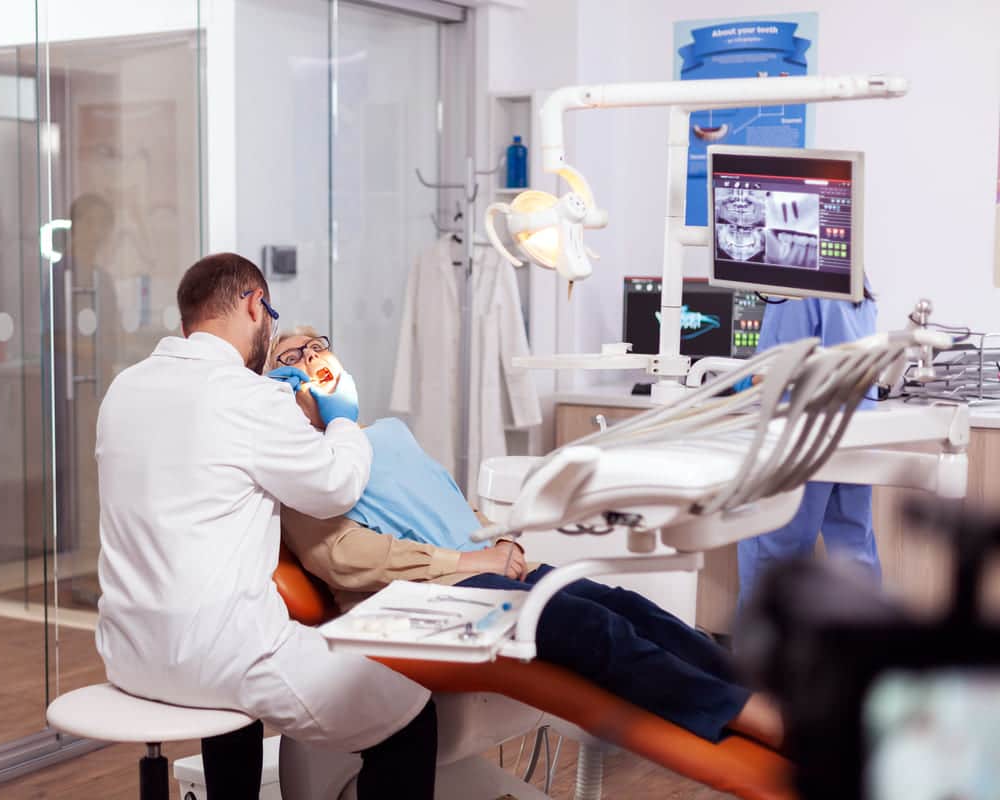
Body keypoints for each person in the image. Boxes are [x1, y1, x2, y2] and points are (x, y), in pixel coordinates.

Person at [267, 326, 784, 748]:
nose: (313, 357)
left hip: (484, 569)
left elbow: (446, 504)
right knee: (587, 624)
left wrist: (502, 543)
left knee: (628, 607)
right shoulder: (306, 469)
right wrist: (469, 563)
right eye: (293, 355)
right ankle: (751, 719)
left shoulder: (386, 434)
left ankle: (768, 696)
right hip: (427, 599)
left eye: (319, 345)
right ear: (280, 384)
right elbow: (343, 558)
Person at [94, 255, 437, 799]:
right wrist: (342, 418)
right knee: (408, 715)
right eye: (271, 317)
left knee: (230, 703)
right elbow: (336, 487)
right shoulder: (252, 399)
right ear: (256, 303)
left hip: (128, 652)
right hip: (222, 656)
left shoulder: (123, 391)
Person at [736, 288, 882, 613]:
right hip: (852, 430)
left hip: (801, 435)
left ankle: (765, 660)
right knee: (855, 551)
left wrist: (737, 382)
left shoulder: (795, 286)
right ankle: (871, 656)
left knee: (773, 556)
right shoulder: (855, 279)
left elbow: (775, 374)